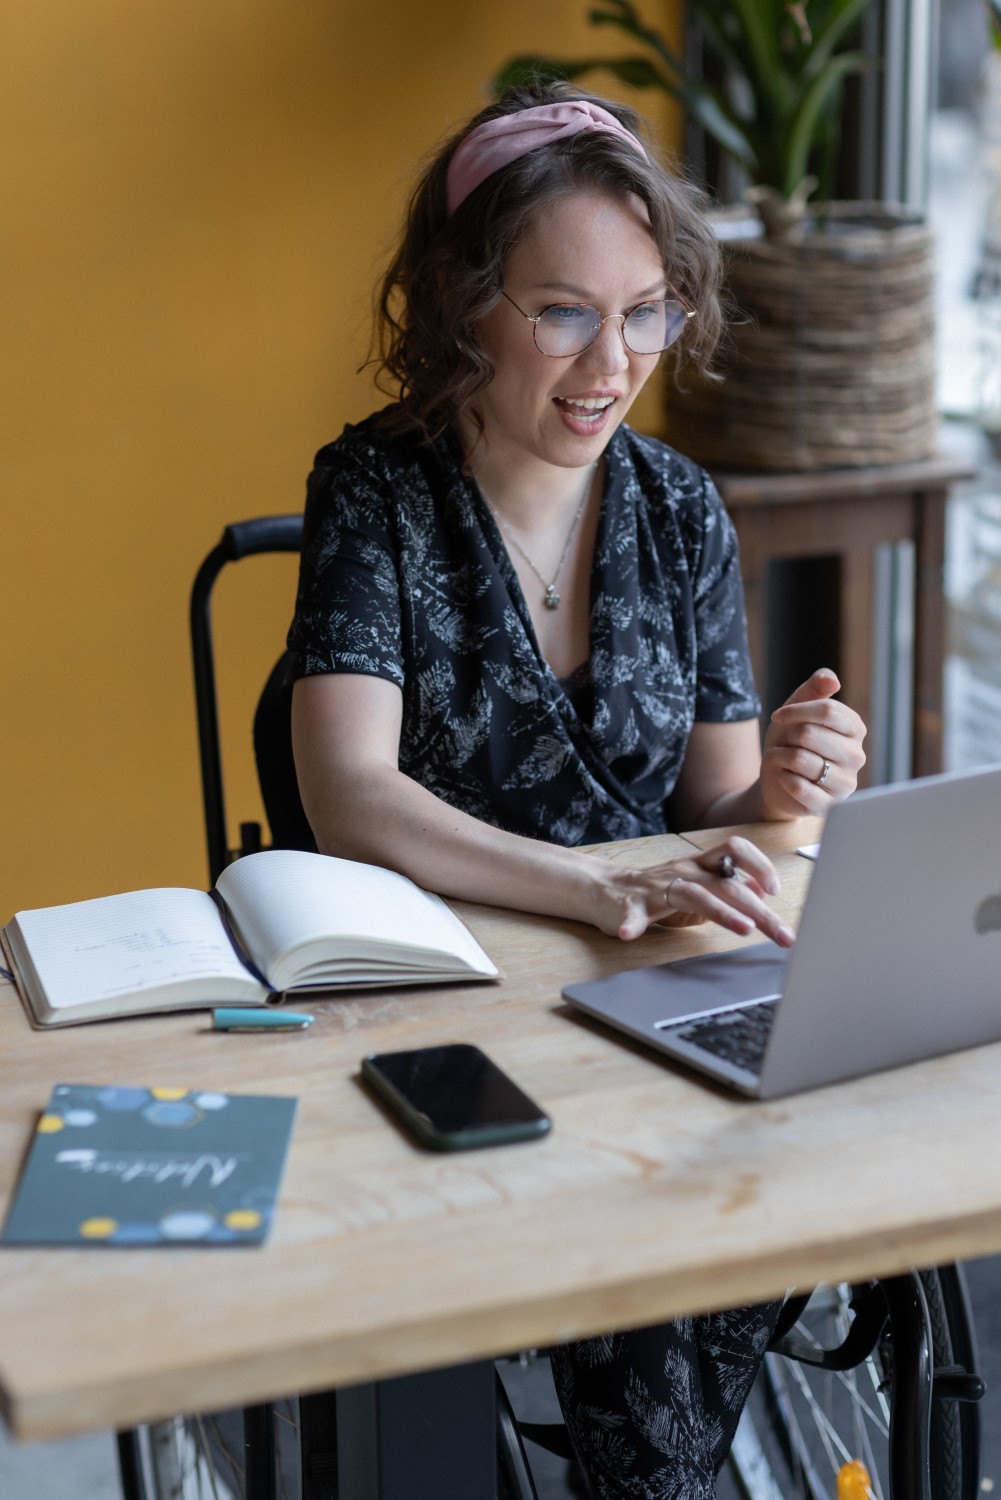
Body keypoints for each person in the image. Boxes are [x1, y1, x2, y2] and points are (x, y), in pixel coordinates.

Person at [287, 81, 866, 1500]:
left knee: (737, 1209)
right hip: (450, 1014)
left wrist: (783, 793)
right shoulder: (376, 489)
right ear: (461, 304)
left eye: (645, 311)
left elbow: (724, 813)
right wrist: (601, 886)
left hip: (641, 1004)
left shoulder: (674, 506)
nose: (610, 363)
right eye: (559, 312)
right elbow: (348, 794)